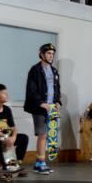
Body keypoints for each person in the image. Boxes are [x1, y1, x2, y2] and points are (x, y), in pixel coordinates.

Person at [24, 43, 61, 175]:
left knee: (49, 135)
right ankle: (40, 162)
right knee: (43, 134)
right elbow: (31, 89)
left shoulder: (54, 71)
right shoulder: (35, 70)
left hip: (51, 108)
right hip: (40, 107)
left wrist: (58, 102)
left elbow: (57, 89)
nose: (51, 56)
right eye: (48, 53)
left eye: (52, 54)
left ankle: (40, 162)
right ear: (41, 54)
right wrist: (40, 103)